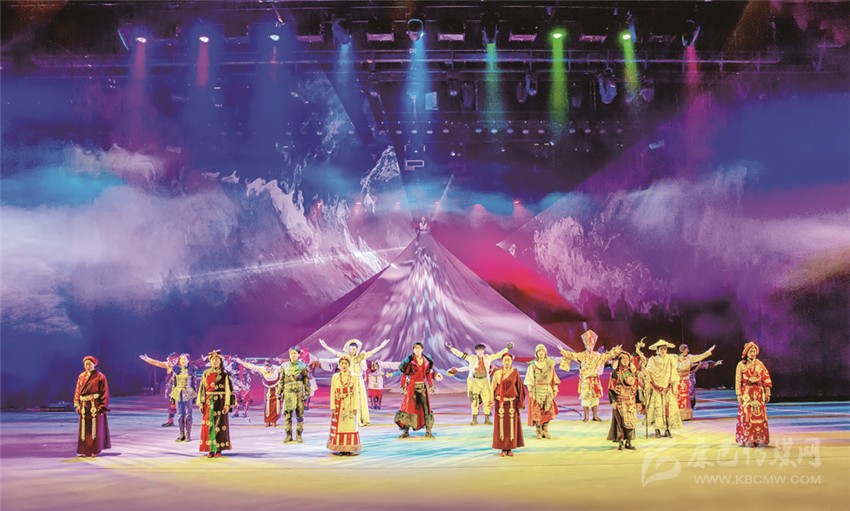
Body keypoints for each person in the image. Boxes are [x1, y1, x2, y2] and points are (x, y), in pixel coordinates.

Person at [319, 338, 390, 426]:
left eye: (353, 349)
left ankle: (361, 419)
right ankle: (353, 420)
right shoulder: (347, 357)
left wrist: (381, 346)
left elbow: (372, 352)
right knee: (351, 401)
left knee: (360, 401)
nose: (352, 351)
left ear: (357, 349)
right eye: (350, 349)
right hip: (350, 382)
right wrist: (326, 347)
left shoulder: (360, 357)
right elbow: (336, 353)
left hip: (359, 382)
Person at [558, 330, 622, 422]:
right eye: (588, 345)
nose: (590, 347)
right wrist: (563, 351)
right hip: (585, 380)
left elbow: (606, 356)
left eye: (591, 345)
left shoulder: (597, 355)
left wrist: (615, 351)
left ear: (593, 345)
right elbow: (572, 355)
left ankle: (595, 415)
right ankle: (586, 416)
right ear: (585, 346)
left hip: (595, 379)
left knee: (595, 398)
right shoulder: (581, 355)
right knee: (585, 398)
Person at [445, 341, 512, 425]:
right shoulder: (471, 358)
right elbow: (460, 354)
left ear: (484, 351)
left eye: (482, 350)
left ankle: (487, 419)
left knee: (486, 400)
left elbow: (498, 354)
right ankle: (474, 420)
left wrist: (507, 348)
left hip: (485, 381)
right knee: (475, 401)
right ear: (476, 351)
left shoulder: (488, 358)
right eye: (478, 350)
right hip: (475, 382)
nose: (480, 351)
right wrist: (451, 348)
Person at [395, 342, 443, 438]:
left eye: (419, 348)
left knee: (426, 408)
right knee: (408, 408)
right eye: (415, 348)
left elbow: (428, 374)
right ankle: (406, 431)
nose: (417, 350)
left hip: (422, 388)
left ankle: (428, 431)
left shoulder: (426, 361)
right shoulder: (410, 361)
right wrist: (403, 386)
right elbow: (404, 373)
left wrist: (431, 385)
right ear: (413, 350)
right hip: (411, 387)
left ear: (422, 349)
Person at [197, 350, 235, 457]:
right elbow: (202, 388)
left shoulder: (224, 374)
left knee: (219, 424)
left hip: (220, 402)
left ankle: (219, 449)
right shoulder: (206, 373)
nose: (214, 361)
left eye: (216, 359)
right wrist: (201, 403)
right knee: (209, 426)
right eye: (213, 359)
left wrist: (227, 404)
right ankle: (211, 449)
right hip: (208, 402)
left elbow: (228, 389)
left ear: (220, 361)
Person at [735, 341, 772, 447]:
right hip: (747, 393)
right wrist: (738, 394)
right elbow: (738, 380)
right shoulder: (741, 365)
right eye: (750, 351)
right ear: (746, 352)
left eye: (754, 351)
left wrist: (768, 392)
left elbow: (766, 378)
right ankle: (748, 439)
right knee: (747, 416)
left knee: (760, 417)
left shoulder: (760, 364)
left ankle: (759, 439)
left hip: (759, 393)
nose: (752, 353)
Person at [74, 356, 111, 457]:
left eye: (89, 364)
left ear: (94, 365)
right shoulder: (82, 376)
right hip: (84, 405)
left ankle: (95, 450)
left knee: (95, 428)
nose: (87, 366)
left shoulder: (100, 376)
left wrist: (102, 406)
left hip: (95, 405)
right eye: (85, 364)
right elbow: (77, 390)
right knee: (84, 429)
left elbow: (104, 392)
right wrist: (77, 404)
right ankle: (85, 450)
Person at [644, 340, 682, 438]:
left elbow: (673, 371)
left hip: (667, 388)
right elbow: (648, 373)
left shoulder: (670, 359)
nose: (663, 351)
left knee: (668, 409)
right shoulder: (653, 360)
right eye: (661, 349)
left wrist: (673, 384)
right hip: (656, 388)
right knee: (657, 409)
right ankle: (657, 429)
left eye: (665, 349)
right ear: (657, 350)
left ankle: (667, 429)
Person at [491, 352, 525, 457]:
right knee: (501, 427)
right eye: (505, 360)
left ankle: (509, 448)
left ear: (511, 362)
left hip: (512, 404)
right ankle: (503, 448)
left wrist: (520, 403)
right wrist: (490, 401)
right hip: (500, 404)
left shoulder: (515, 372)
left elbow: (520, 388)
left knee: (511, 426)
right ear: (502, 361)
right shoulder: (497, 373)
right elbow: (492, 388)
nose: (507, 362)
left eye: (508, 360)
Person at [327, 355, 362, 456]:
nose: (344, 365)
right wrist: (333, 406)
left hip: (349, 404)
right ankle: (340, 447)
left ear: (349, 365)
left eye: (346, 363)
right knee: (339, 427)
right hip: (339, 404)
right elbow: (332, 392)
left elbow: (355, 393)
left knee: (350, 426)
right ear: (339, 365)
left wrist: (355, 407)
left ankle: (349, 448)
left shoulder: (354, 376)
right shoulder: (335, 377)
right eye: (342, 363)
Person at [676, 344, 722, 420]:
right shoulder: (676, 358)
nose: (688, 350)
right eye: (687, 349)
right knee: (679, 397)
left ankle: (688, 412)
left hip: (688, 380)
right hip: (678, 380)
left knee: (689, 394)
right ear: (683, 350)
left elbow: (702, 360)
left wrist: (710, 354)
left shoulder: (690, 358)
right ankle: (678, 413)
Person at [524, 344, 560, 439]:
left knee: (548, 411)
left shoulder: (550, 365)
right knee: (537, 411)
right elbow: (529, 379)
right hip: (537, 391)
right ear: (536, 353)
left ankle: (545, 429)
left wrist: (555, 389)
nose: (541, 353)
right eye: (539, 351)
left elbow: (554, 378)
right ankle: (539, 430)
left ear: (545, 353)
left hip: (547, 390)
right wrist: (530, 390)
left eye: (542, 351)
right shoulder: (532, 366)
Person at [233, 357, 282, 426]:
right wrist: (241, 362)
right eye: (266, 367)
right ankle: (267, 421)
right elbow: (251, 366)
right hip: (267, 389)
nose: (268, 369)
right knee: (267, 404)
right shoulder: (262, 369)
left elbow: (286, 367)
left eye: (269, 367)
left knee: (275, 404)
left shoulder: (276, 368)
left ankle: (274, 421)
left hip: (276, 389)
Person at [277, 347, 310, 443]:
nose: (293, 355)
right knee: (288, 415)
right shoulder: (284, 366)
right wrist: (279, 392)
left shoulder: (303, 366)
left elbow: (306, 381)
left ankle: (299, 434)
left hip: (298, 393)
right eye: (291, 353)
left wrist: (307, 392)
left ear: (299, 354)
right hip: (288, 393)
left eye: (295, 353)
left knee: (299, 415)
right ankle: (288, 435)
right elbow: (281, 381)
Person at [607, 351, 639, 450]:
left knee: (631, 421)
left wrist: (639, 401)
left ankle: (628, 442)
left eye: (627, 359)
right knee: (620, 422)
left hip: (631, 401)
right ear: (619, 360)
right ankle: (620, 441)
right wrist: (613, 401)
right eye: (623, 359)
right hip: (620, 400)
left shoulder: (632, 372)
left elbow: (637, 386)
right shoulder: (615, 373)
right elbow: (611, 387)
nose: (625, 361)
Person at [138, 352, 180, 426]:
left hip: (181, 388)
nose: (173, 361)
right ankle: (170, 421)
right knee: (171, 405)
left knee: (182, 405)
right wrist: (148, 359)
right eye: (171, 360)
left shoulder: (183, 365)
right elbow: (157, 363)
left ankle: (185, 421)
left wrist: (203, 360)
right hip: (172, 388)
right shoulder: (168, 365)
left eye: (175, 360)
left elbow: (195, 363)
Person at [169, 354, 197, 442]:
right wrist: (172, 395)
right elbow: (174, 384)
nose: (183, 361)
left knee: (188, 414)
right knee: (180, 414)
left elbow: (194, 383)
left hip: (188, 391)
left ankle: (188, 435)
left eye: (184, 359)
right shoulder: (176, 370)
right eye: (181, 359)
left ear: (188, 360)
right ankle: (182, 434)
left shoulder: (191, 370)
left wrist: (196, 396)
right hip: (178, 392)